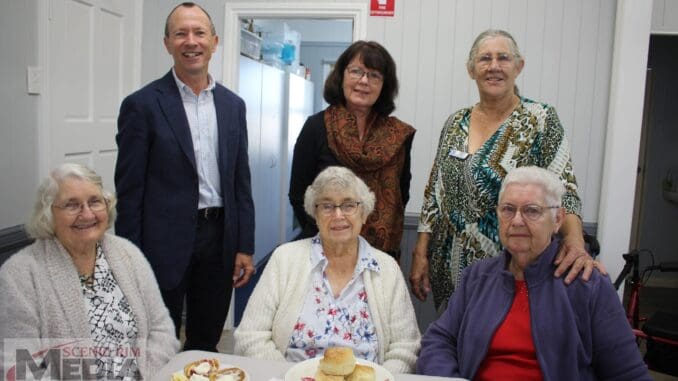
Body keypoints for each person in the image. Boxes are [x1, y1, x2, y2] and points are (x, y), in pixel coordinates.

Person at [410, 29, 600, 310]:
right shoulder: (455, 122)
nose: (494, 66)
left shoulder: (541, 119)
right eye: (485, 59)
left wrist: (575, 242)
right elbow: (434, 190)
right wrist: (421, 250)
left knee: (502, 343)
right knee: (456, 341)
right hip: (449, 265)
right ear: (471, 70)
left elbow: (565, 189)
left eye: (503, 58)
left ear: (518, 67)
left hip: (514, 264)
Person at [416, 166, 650, 380]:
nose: (517, 221)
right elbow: (439, 340)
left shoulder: (588, 284)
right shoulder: (477, 277)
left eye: (532, 211)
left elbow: (628, 373)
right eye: (508, 209)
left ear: (557, 219)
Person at [114, 2, 255, 351]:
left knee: (206, 339)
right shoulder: (142, 105)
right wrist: (129, 258)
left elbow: (240, 181)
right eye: (181, 33)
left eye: (199, 32)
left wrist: (244, 246)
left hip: (219, 239)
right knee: (156, 341)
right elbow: (129, 191)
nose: (190, 41)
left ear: (215, 41)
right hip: (161, 243)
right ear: (167, 43)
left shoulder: (233, 105)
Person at [0, 163, 179, 379]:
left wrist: (147, 375)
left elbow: (162, 329)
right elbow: (19, 368)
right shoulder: (20, 275)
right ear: (48, 214)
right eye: (71, 205)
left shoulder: (128, 254)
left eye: (95, 202)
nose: (87, 214)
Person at [235, 166, 420, 374]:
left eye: (349, 205)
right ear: (315, 214)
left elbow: (405, 347)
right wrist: (290, 376)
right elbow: (250, 335)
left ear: (364, 213)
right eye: (327, 206)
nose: (338, 214)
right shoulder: (284, 259)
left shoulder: (386, 269)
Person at [289, 40, 415, 260]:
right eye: (356, 71)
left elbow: (401, 194)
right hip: (326, 251)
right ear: (342, 76)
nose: (364, 81)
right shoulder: (316, 127)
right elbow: (298, 194)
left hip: (380, 255)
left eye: (374, 75)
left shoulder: (399, 136)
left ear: (384, 85)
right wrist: (331, 234)